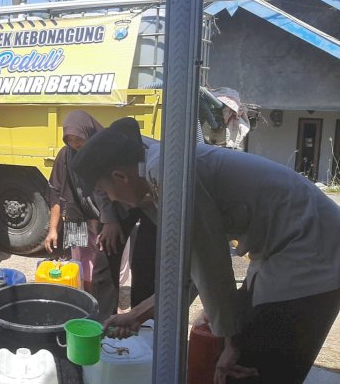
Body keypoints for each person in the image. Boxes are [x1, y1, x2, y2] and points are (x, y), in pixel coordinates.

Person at [72, 117, 340, 384]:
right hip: (285, 251)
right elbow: (190, 272)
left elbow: (210, 266)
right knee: (237, 346)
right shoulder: (155, 165)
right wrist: (136, 314)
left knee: (248, 367)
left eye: (104, 190)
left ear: (120, 176)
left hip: (312, 254)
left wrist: (232, 343)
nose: (113, 199)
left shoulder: (169, 175)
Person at [44, 110, 155, 320]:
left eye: (79, 139)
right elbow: (100, 189)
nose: (75, 144)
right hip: (108, 212)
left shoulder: (151, 166)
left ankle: (142, 320)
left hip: (140, 199)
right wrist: (110, 220)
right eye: (71, 140)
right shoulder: (71, 157)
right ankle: (103, 320)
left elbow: (109, 190)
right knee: (105, 258)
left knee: (145, 259)